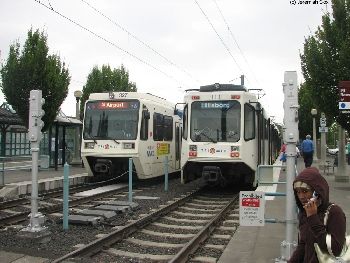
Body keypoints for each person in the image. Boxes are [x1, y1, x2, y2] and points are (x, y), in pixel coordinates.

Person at [288, 167, 346, 263]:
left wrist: (313, 218)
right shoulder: (304, 212)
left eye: (305, 191)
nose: (301, 196)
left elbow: (335, 250)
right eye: (298, 192)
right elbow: (303, 245)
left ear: (317, 193)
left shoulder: (335, 213)